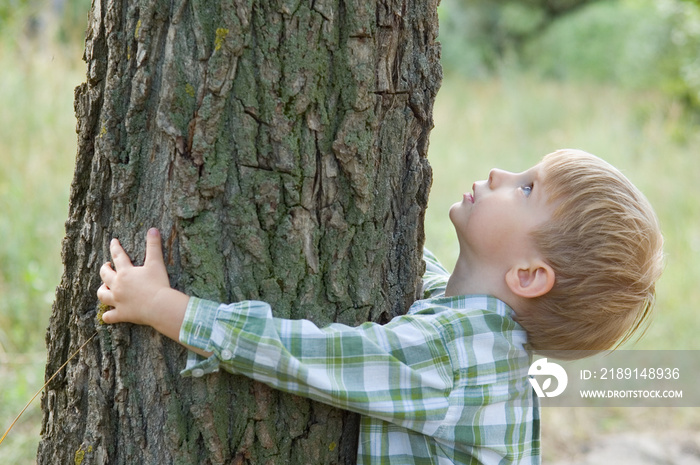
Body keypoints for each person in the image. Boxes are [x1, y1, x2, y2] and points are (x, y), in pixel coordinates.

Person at [96, 149, 664, 464]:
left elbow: (307, 356)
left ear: (530, 276)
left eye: (525, 189)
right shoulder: (479, 330)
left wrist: (167, 307)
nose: (499, 173)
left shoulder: (456, 356)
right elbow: (435, 279)